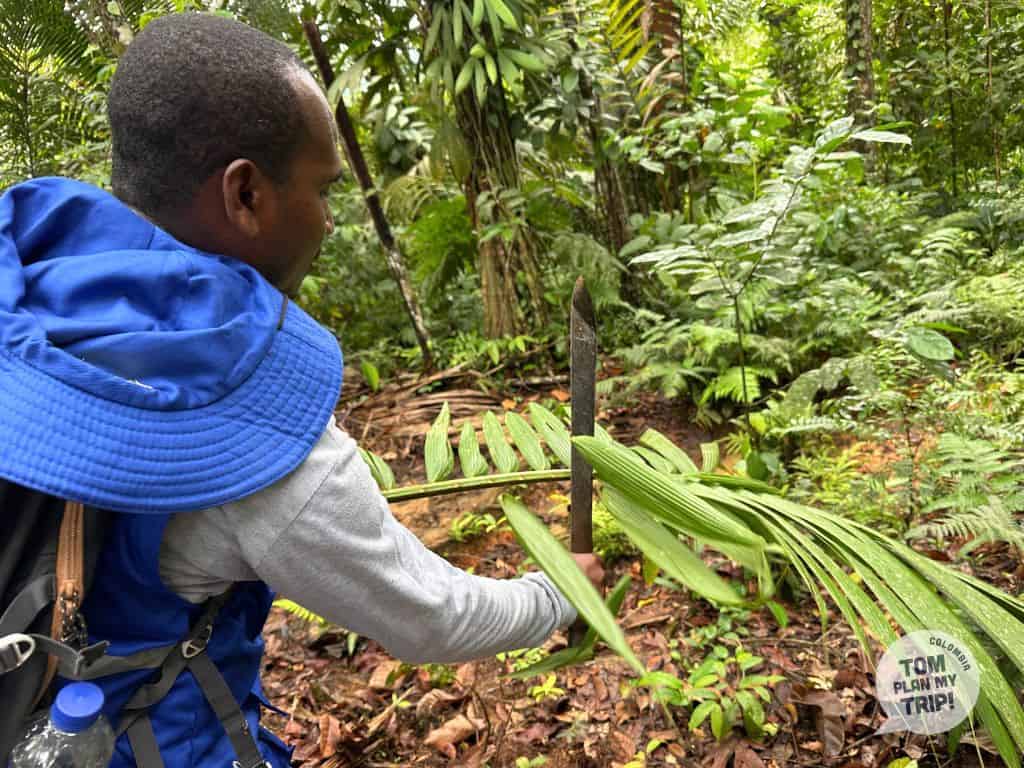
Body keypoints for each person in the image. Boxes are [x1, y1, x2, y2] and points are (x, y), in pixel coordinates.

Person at [0, 11, 603, 768]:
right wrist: (556, 594)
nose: (326, 222)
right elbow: (429, 617)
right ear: (246, 194)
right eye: (323, 191)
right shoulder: (258, 441)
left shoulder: (35, 285)